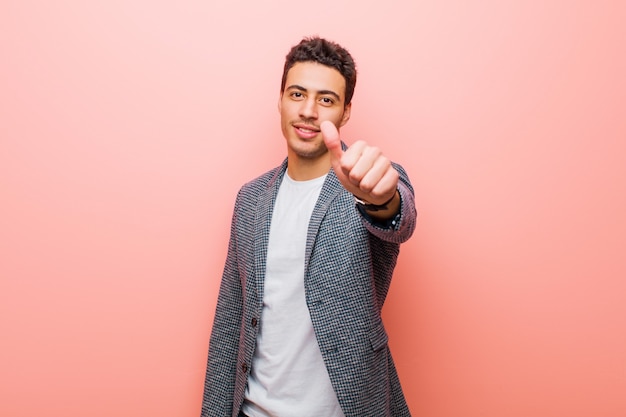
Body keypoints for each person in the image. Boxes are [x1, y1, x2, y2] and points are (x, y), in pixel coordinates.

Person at [200, 36, 417, 417]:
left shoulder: (366, 180)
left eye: (327, 100)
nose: (309, 111)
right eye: (297, 94)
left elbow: (398, 216)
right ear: (280, 100)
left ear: (346, 112)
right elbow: (229, 323)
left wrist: (381, 198)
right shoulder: (250, 199)